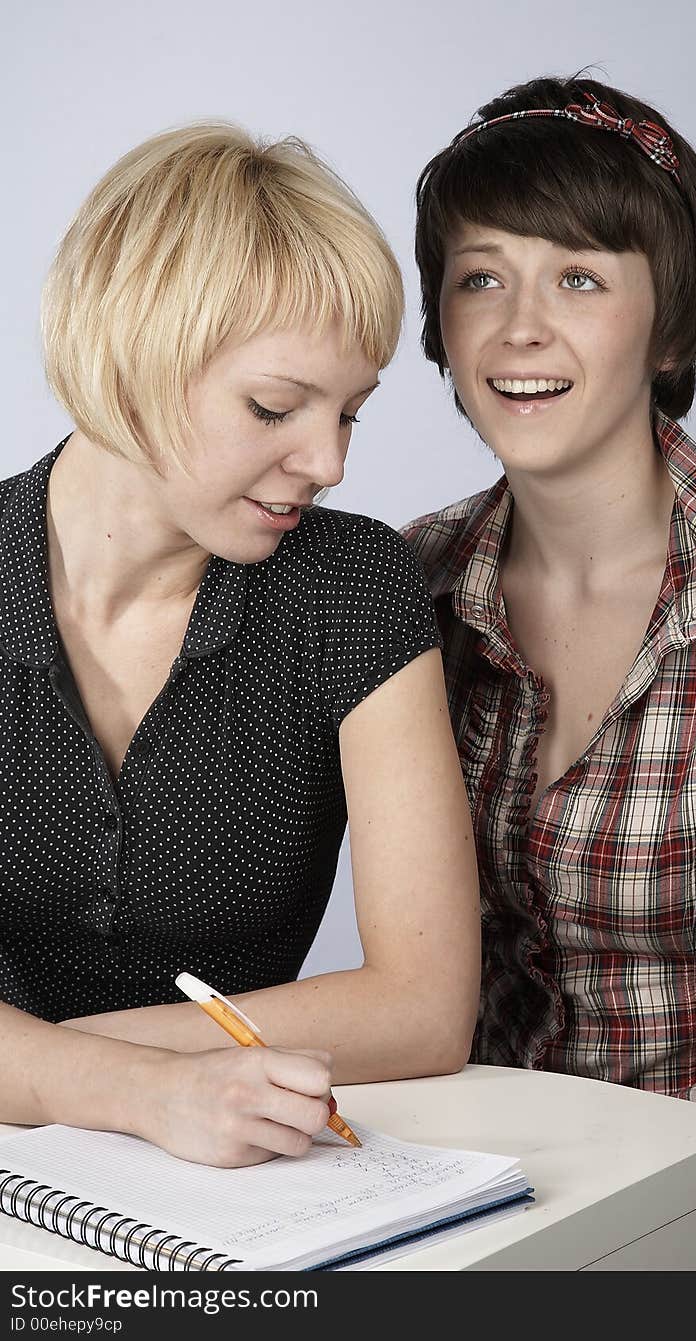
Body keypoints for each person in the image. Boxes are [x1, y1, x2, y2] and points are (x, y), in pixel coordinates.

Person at [402, 73, 696, 1270]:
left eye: (578, 277)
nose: (518, 325)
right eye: (479, 276)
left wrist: (683, 1247)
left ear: (670, 328)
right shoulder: (410, 582)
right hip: (492, 1224)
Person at [0, 123, 480, 1169]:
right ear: (132, 355)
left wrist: (39, 1072)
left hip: (243, 1184)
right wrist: (130, 1091)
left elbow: (425, 1008)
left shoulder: (351, 588)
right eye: (275, 407)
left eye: (350, 413)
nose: (330, 462)